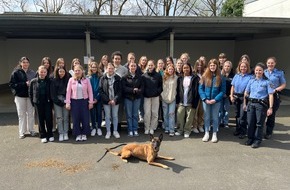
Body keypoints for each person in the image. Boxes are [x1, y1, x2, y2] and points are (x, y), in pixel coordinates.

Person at [244, 63, 274, 148]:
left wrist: (270, 107)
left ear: (263, 71)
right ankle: (250, 138)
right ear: (254, 71)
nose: (258, 72)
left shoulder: (268, 82)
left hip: (261, 105)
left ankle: (257, 140)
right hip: (251, 104)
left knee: (259, 123)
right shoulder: (251, 80)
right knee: (250, 122)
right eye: (256, 70)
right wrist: (245, 102)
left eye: (260, 70)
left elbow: (271, 95)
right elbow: (246, 92)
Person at [199, 59, 226, 143]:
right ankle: (206, 133)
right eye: (211, 65)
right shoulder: (204, 76)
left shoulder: (221, 77)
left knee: (215, 117)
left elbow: (223, 91)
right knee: (206, 117)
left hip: (216, 101)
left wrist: (215, 99)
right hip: (206, 101)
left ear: (216, 66)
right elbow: (200, 89)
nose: (212, 67)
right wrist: (205, 99)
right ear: (208, 66)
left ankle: (214, 133)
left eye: (214, 65)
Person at [9, 56, 36, 139]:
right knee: (21, 115)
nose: (25, 64)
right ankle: (22, 132)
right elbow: (12, 85)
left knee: (31, 114)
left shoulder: (32, 72)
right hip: (20, 96)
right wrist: (24, 84)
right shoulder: (16, 72)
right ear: (20, 63)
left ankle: (31, 130)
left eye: (27, 62)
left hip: (30, 96)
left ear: (29, 63)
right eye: (24, 62)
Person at [66, 64, 94, 142]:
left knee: (85, 118)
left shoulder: (86, 80)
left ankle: (84, 133)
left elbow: (90, 92)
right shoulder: (71, 80)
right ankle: (77, 134)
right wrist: (67, 103)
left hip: (84, 101)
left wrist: (91, 102)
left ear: (82, 71)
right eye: (76, 70)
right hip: (74, 101)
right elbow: (68, 92)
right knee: (75, 118)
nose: (77, 72)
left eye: (79, 70)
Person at [264, 57, 286, 139]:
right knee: (262, 114)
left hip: (274, 96)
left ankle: (268, 132)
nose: (270, 64)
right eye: (269, 63)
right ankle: (260, 130)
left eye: (272, 63)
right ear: (266, 63)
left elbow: (283, 85)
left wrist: (276, 89)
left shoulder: (279, 73)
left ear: (275, 63)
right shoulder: (263, 72)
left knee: (271, 115)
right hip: (264, 96)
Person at [29, 66, 53, 143]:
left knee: (49, 119)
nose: (42, 73)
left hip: (48, 102)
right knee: (40, 119)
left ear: (46, 73)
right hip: (38, 103)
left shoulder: (49, 81)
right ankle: (43, 135)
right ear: (38, 72)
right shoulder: (33, 81)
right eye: (41, 72)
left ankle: (50, 134)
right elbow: (30, 93)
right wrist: (33, 102)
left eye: (44, 72)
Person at [175, 63, 199, 138]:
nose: (186, 69)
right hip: (181, 102)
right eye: (184, 68)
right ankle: (180, 130)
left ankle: (187, 131)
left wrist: (194, 103)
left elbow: (196, 91)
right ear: (182, 69)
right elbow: (178, 90)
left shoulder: (195, 78)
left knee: (189, 118)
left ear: (190, 69)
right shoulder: (180, 78)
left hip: (191, 102)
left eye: (187, 68)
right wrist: (177, 102)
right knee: (179, 116)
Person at [230, 60, 253, 139]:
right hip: (236, 96)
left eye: (245, 67)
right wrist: (231, 96)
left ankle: (243, 131)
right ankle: (238, 129)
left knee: (243, 115)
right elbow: (232, 86)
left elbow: (248, 89)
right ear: (239, 67)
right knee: (237, 115)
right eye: (241, 66)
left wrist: (245, 101)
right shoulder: (237, 75)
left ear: (247, 68)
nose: (243, 68)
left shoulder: (250, 77)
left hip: (244, 97)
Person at [99, 63, 122, 139]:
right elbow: (101, 90)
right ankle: (108, 131)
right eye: (109, 68)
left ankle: (115, 131)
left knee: (115, 116)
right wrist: (108, 100)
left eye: (112, 68)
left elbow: (120, 91)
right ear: (106, 69)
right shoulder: (103, 78)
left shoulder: (118, 78)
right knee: (107, 117)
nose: (111, 70)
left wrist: (115, 99)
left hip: (115, 101)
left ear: (114, 69)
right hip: (106, 101)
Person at [122, 62, 144, 137]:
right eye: (131, 66)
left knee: (135, 115)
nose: (133, 67)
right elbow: (123, 88)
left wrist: (138, 90)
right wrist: (132, 90)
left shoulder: (140, 77)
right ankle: (130, 130)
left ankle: (135, 129)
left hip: (137, 98)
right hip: (128, 98)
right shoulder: (125, 77)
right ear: (129, 67)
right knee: (129, 115)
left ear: (136, 67)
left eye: (134, 66)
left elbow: (142, 87)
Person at [142, 60, 163, 135]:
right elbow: (142, 87)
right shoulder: (144, 76)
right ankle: (146, 128)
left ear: (154, 66)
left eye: (151, 65)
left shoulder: (158, 75)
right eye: (149, 65)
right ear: (147, 66)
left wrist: (157, 92)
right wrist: (145, 93)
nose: (150, 67)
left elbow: (161, 86)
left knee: (154, 113)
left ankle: (152, 128)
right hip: (146, 97)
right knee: (147, 113)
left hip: (155, 97)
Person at [50, 67, 70, 141]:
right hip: (57, 101)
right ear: (57, 72)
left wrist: (67, 101)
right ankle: (61, 133)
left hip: (66, 100)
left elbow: (70, 91)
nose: (61, 73)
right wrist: (60, 103)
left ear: (65, 72)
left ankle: (65, 133)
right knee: (59, 118)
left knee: (66, 118)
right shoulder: (54, 81)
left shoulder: (68, 80)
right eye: (60, 71)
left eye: (63, 71)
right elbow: (53, 94)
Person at [161, 64, 178, 136]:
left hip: (172, 99)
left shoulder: (176, 78)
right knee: (165, 114)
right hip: (164, 98)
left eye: (172, 69)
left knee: (171, 114)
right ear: (167, 70)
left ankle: (172, 130)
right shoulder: (163, 77)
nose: (170, 70)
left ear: (174, 70)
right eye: (169, 69)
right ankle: (167, 128)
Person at [87, 61, 103, 137]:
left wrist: (97, 98)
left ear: (97, 68)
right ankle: (93, 127)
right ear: (90, 68)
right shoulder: (88, 77)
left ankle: (99, 127)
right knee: (92, 114)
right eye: (92, 67)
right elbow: (87, 89)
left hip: (99, 98)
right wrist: (92, 99)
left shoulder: (100, 77)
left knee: (99, 113)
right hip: (91, 99)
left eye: (95, 67)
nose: (94, 68)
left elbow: (101, 88)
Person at [192, 59, 206, 133]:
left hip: (203, 95)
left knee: (202, 112)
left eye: (201, 65)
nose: (199, 66)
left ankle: (200, 125)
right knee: (195, 112)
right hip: (196, 95)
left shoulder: (205, 73)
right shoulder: (193, 74)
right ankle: (194, 126)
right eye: (198, 65)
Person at [219, 60, 234, 128]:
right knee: (220, 110)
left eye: (228, 66)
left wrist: (229, 95)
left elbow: (233, 87)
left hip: (228, 96)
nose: (227, 67)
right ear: (223, 67)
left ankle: (226, 123)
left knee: (226, 110)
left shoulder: (233, 76)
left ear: (230, 67)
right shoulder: (220, 75)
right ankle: (219, 122)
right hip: (220, 95)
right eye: (225, 66)